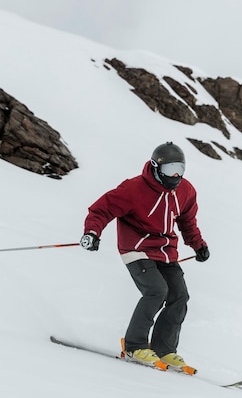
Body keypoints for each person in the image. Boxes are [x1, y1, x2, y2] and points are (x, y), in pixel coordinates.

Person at [80, 142, 209, 371]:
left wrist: (198, 245)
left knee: (179, 295)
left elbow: (187, 222)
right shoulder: (134, 189)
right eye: (170, 170)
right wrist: (92, 232)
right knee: (156, 291)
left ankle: (164, 349)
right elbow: (102, 209)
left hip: (165, 252)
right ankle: (134, 345)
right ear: (156, 168)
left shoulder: (185, 191)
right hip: (136, 248)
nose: (176, 175)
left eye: (180, 168)